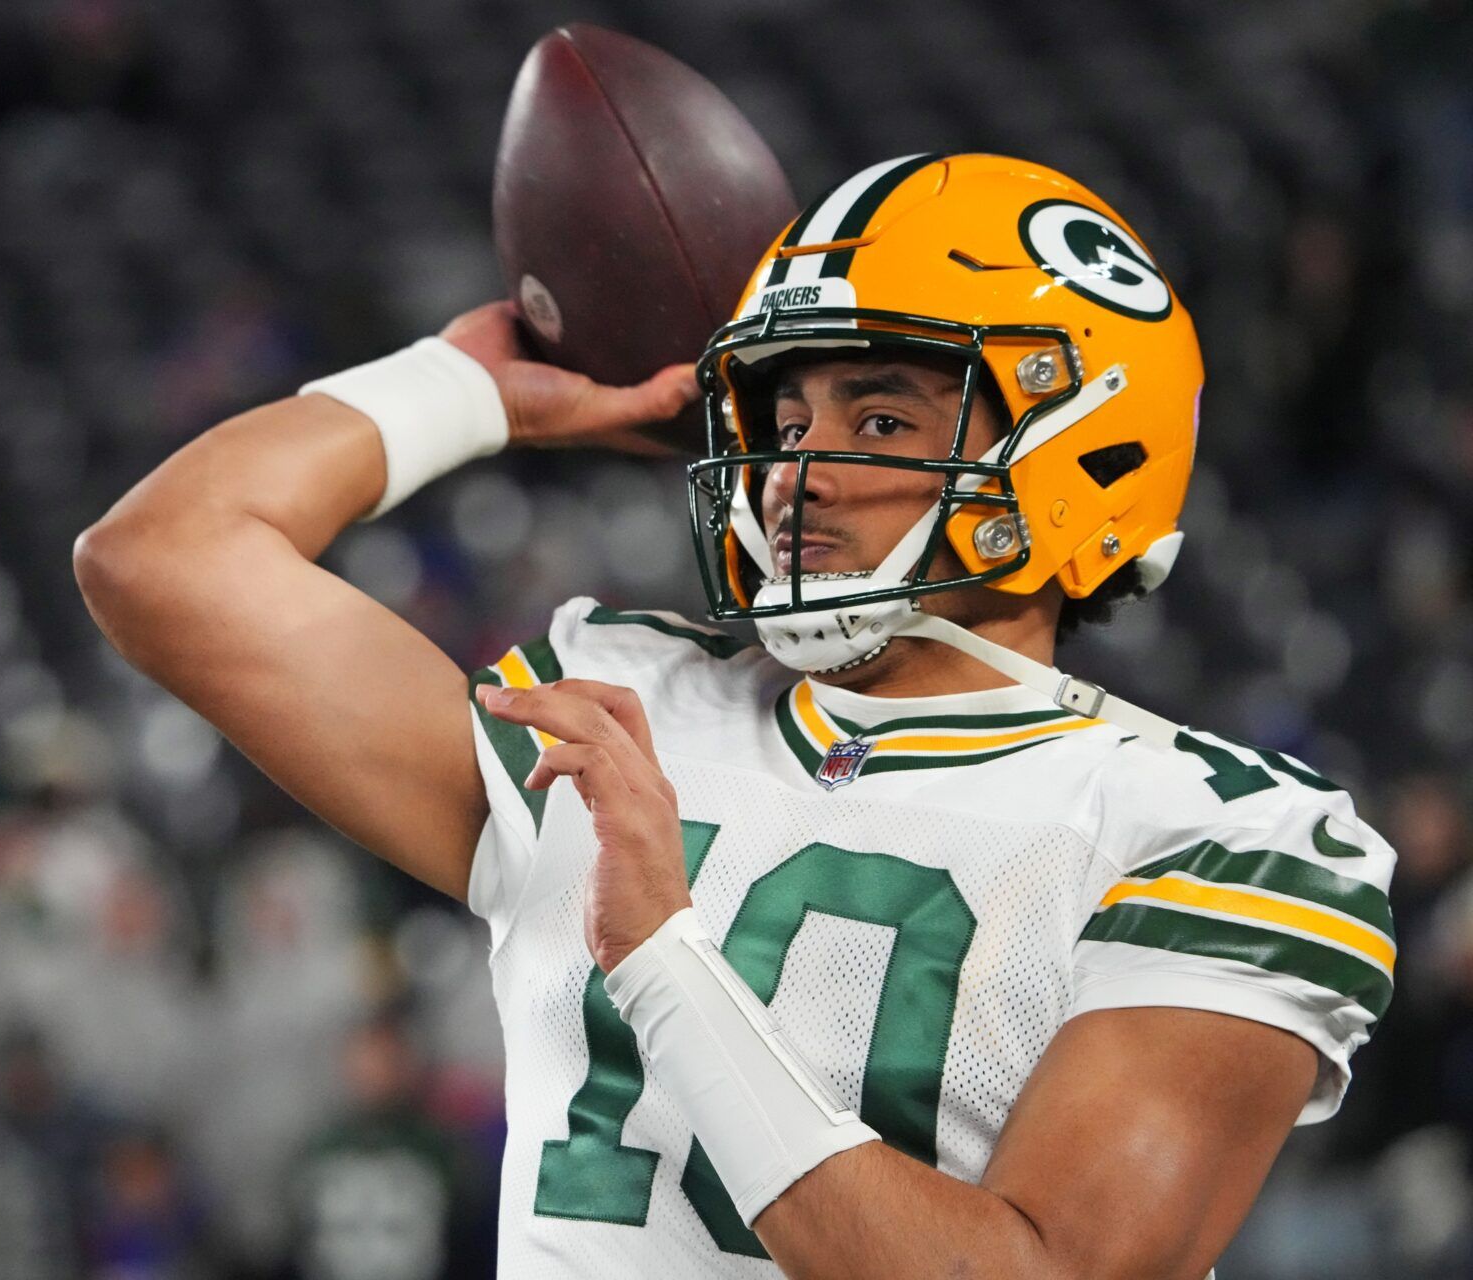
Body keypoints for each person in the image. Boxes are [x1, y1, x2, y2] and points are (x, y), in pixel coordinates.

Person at [74, 153, 1396, 1278]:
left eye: (880, 416)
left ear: (1083, 451)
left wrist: (663, 957)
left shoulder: (1226, 836)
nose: (793, 477)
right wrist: (458, 391)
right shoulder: (624, 695)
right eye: (782, 415)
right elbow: (162, 561)